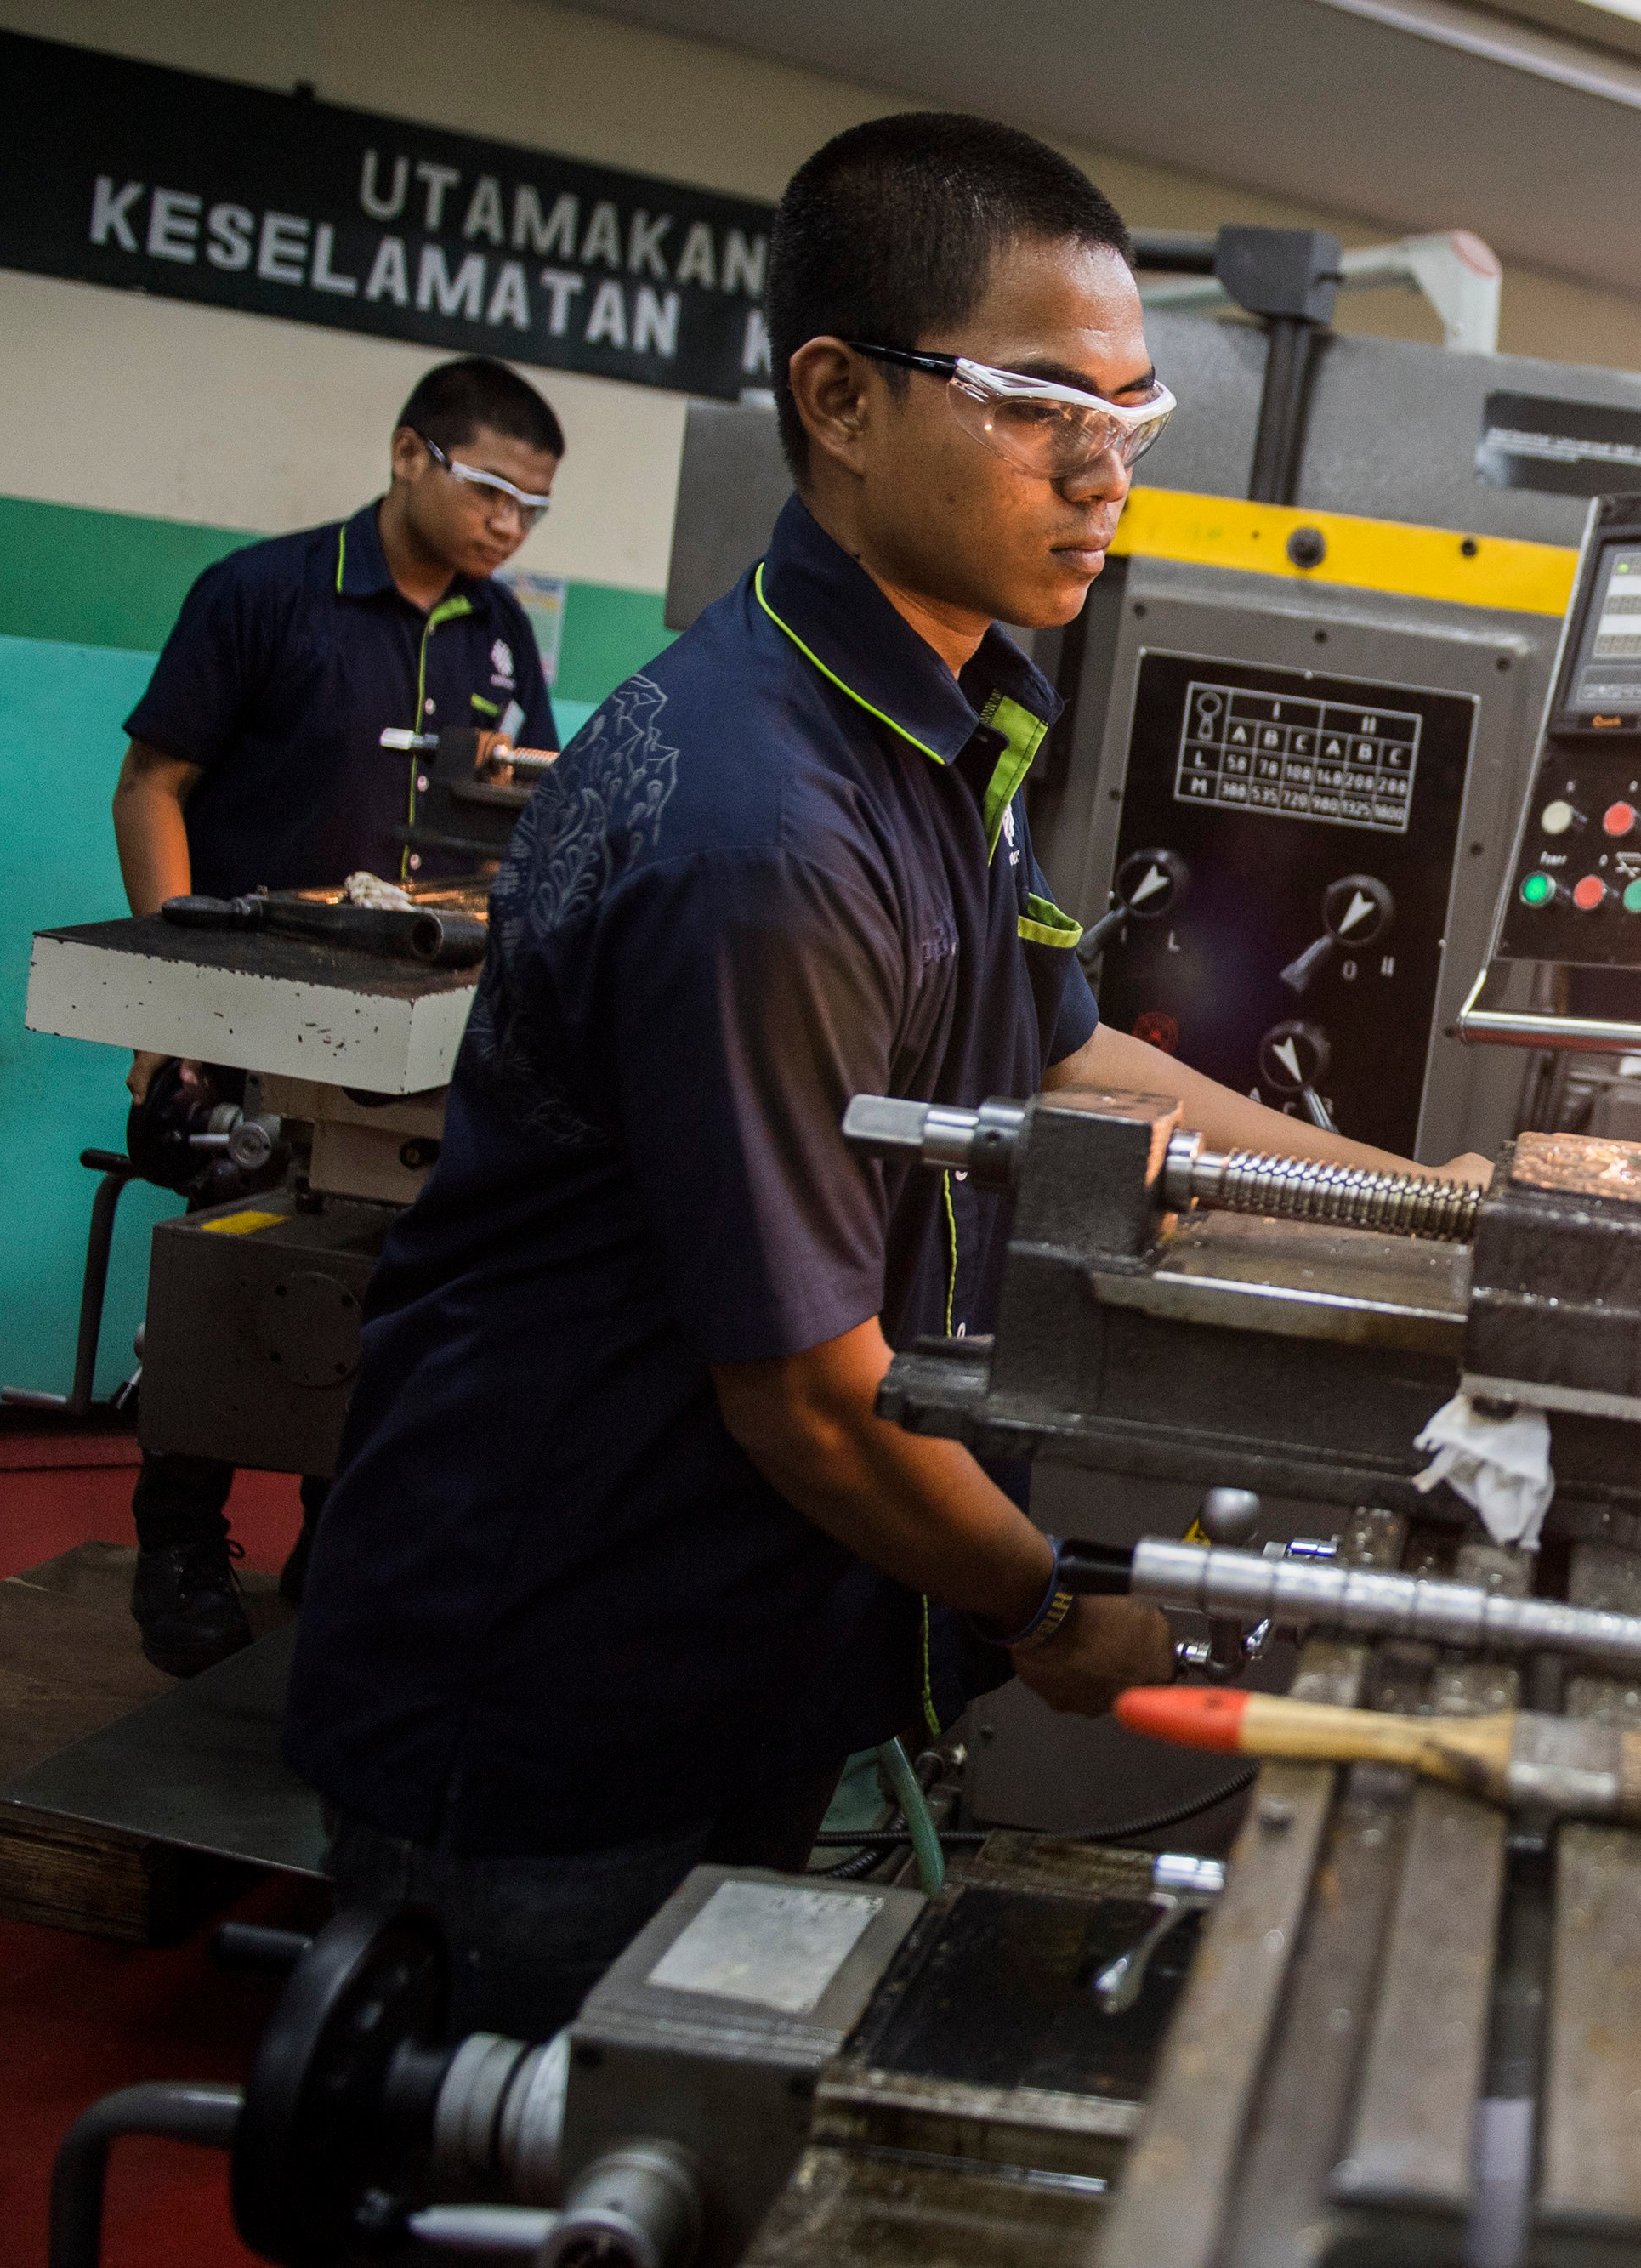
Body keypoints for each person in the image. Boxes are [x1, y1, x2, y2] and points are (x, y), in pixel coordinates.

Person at [284, 113, 1482, 2038]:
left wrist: (1454, 1214)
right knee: (534, 2163)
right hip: (559, 1666)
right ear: (837, 399)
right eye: (1035, 408)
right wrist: (1043, 1609)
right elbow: (807, 1402)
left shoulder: (930, 729)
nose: (1103, 475)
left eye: (1132, 413)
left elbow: (1068, 1049)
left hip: (742, 1642)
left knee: (686, 2123)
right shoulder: (764, 828)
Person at [107, 355, 565, 1675]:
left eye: (532, 508)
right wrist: (173, 1002)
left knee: (393, 1285)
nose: (507, 526)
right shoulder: (261, 595)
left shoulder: (496, 632)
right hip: (249, 1014)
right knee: (221, 1280)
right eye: (488, 490)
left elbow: (516, 814)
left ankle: (341, 1533)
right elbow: (152, 786)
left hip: (418, 1031)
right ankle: (182, 1540)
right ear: (410, 453)